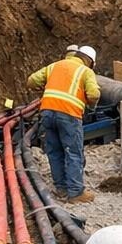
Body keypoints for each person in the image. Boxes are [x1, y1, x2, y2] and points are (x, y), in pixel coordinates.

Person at [27, 44, 99, 203]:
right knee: (73, 153)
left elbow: (31, 81)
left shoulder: (55, 66)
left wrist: (46, 91)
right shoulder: (86, 71)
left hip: (47, 112)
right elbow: (94, 94)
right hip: (69, 114)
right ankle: (75, 193)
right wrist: (88, 103)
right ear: (89, 61)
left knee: (54, 151)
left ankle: (61, 189)